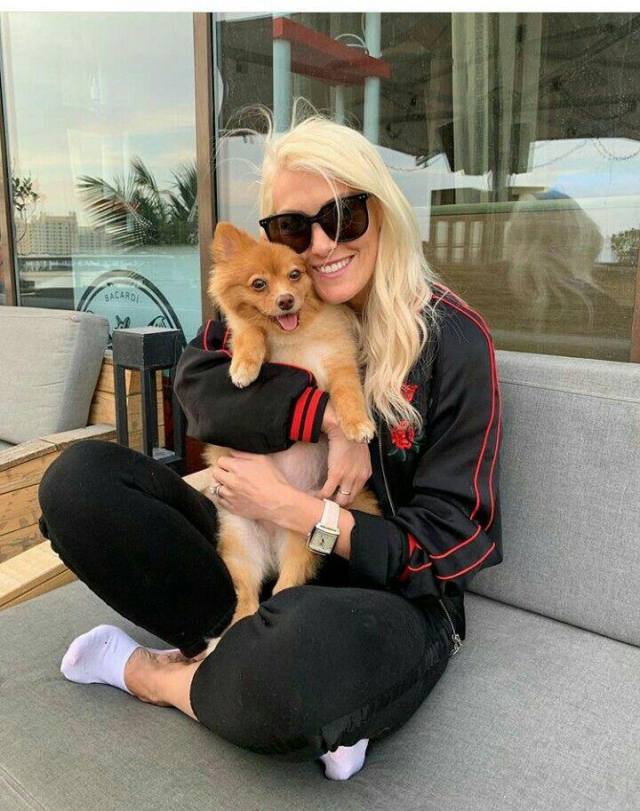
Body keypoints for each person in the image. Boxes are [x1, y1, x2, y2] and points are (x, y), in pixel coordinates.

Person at [37, 110, 502, 781]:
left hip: (385, 595)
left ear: (384, 213)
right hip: (257, 549)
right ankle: (247, 652)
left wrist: (300, 511)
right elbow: (197, 383)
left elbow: (455, 542)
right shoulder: (268, 303)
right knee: (80, 483)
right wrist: (327, 419)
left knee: (302, 659)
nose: (318, 246)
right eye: (293, 227)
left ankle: (152, 674)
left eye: (342, 216)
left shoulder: (455, 341)